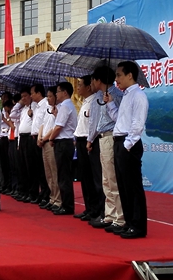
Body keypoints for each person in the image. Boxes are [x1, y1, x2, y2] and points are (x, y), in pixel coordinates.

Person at [106, 61, 149, 239]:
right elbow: (119, 119)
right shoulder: (126, 96)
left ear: (130, 75)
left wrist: (126, 145)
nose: (117, 79)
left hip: (128, 143)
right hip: (120, 140)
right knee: (123, 186)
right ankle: (129, 222)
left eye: (119, 75)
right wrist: (109, 104)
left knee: (133, 186)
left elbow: (137, 125)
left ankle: (138, 226)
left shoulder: (138, 95)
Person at [87, 66, 125, 232]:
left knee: (112, 179)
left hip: (111, 136)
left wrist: (110, 103)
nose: (92, 83)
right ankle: (110, 215)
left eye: (93, 80)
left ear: (99, 80)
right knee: (106, 180)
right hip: (102, 138)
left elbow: (120, 119)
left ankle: (119, 217)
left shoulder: (115, 95)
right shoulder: (100, 96)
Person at [73, 75, 100, 222]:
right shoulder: (84, 102)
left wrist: (89, 141)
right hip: (81, 140)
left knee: (91, 177)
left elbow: (93, 125)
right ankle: (88, 208)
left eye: (80, 85)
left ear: (89, 86)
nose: (78, 88)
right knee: (84, 177)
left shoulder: (94, 102)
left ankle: (95, 209)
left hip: (90, 142)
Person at [48, 82, 77, 215]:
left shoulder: (65, 106)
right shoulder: (65, 106)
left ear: (65, 92)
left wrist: (51, 138)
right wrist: (55, 115)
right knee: (62, 174)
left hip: (64, 142)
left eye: (58, 91)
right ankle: (66, 204)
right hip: (64, 141)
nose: (56, 94)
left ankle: (67, 205)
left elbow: (59, 126)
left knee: (64, 175)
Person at [37, 86, 62, 212]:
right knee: (48, 173)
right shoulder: (47, 109)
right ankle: (52, 198)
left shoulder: (59, 110)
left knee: (54, 171)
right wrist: (40, 136)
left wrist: (45, 138)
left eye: (51, 96)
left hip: (50, 142)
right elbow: (43, 124)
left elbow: (55, 127)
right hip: (44, 142)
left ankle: (58, 199)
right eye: (48, 96)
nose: (49, 98)